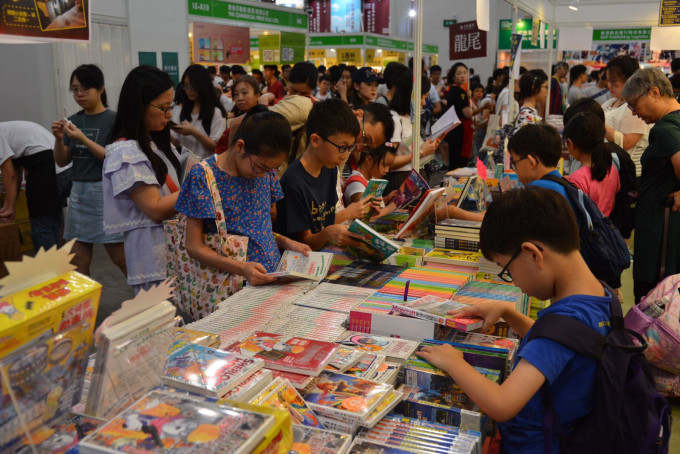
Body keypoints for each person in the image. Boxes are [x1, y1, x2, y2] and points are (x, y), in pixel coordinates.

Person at [418, 186, 612, 454]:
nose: (515, 283)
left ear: (533, 254)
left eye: (506, 270)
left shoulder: (566, 319)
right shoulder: (599, 295)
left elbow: (502, 404)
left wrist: (454, 363)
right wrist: (509, 313)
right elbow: (566, 344)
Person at [176, 106, 310, 287]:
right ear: (240, 146)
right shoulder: (203, 177)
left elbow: (256, 228)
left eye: (273, 169)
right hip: (230, 286)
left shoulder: (265, 172)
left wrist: (287, 243)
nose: (264, 175)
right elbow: (193, 246)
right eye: (261, 167)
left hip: (271, 278)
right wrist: (242, 268)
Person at [103, 65, 185, 294]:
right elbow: (155, 209)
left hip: (173, 248)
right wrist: (200, 182)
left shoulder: (153, 141)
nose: (169, 115)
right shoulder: (125, 152)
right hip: (153, 254)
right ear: (139, 105)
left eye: (172, 106)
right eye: (163, 108)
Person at [51, 64, 126, 276]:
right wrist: (58, 139)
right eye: (74, 89)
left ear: (100, 89)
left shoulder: (114, 120)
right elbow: (62, 161)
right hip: (79, 194)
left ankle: (149, 302)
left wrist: (82, 138)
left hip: (105, 193)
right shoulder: (73, 121)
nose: (79, 94)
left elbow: (114, 158)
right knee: (77, 260)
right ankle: (84, 308)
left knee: (120, 256)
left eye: (85, 89)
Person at [621, 68, 680, 302]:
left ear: (654, 93)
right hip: (664, 231)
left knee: (652, 302)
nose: (634, 113)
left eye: (634, 104)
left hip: (660, 235)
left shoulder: (665, 130)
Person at [275, 99, 364, 250]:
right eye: (342, 147)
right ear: (316, 140)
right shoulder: (294, 181)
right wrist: (329, 233)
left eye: (350, 147)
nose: (346, 155)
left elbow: (325, 221)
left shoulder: (329, 167)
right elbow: (305, 241)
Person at [0, 121, 62, 252]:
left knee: (40, 224)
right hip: (59, 165)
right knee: (51, 220)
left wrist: (10, 208)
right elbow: (16, 174)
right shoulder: (7, 131)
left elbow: (9, 175)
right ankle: (57, 268)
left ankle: (49, 269)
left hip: (45, 161)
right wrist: (9, 205)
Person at [387, 72, 441, 192]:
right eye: (422, 97)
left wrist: (430, 147)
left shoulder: (408, 118)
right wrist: (421, 152)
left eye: (425, 98)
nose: (424, 103)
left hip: (415, 177)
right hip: (401, 181)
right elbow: (388, 162)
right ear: (409, 96)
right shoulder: (395, 120)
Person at [564, 112, 620, 217]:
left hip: (584, 232)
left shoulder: (577, 179)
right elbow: (611, 205)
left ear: (571, 144)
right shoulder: (611, 169)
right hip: (604, 229)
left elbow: (573, 216)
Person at [602, 56, 649, 178]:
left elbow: (627, 143)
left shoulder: (634, 106)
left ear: (630, 80)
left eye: (614, 82)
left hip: (627, 174)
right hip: (610, 169)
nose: (609, 86)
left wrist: (597, 124)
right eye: (608, 81)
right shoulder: (611, 102)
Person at [171, 64, 226, 159]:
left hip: (207, 169)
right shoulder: (180, 111)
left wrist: (193, 132)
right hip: (185, 168)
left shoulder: (215, 112)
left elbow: (216, 147)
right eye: (186, 86)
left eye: (192, 86)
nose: (188, 90)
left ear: (202, 85)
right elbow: (175, 143)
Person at [507, 124, 568, 200]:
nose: (515, 170)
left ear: (531, 161)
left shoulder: (536, 192)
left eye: (515, 163)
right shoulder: (564, 185)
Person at [343, 144, 397, 212]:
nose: (387, 170)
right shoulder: (356, 183)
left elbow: (373, 204)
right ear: (369, 160)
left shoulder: (371, 178)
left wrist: (387, 199)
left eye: (389, 166)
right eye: (384, 165)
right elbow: (364, 213)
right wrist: (389, 209)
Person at [445, 62, 474, 171]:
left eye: (465, 73)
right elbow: (468, 113)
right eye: (459, 73)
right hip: (460, 131)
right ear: (453, 76)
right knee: (459, 163)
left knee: (454, 160)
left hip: (454, 129)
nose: (462, 76)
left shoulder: (453, 90)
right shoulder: (459, 91)